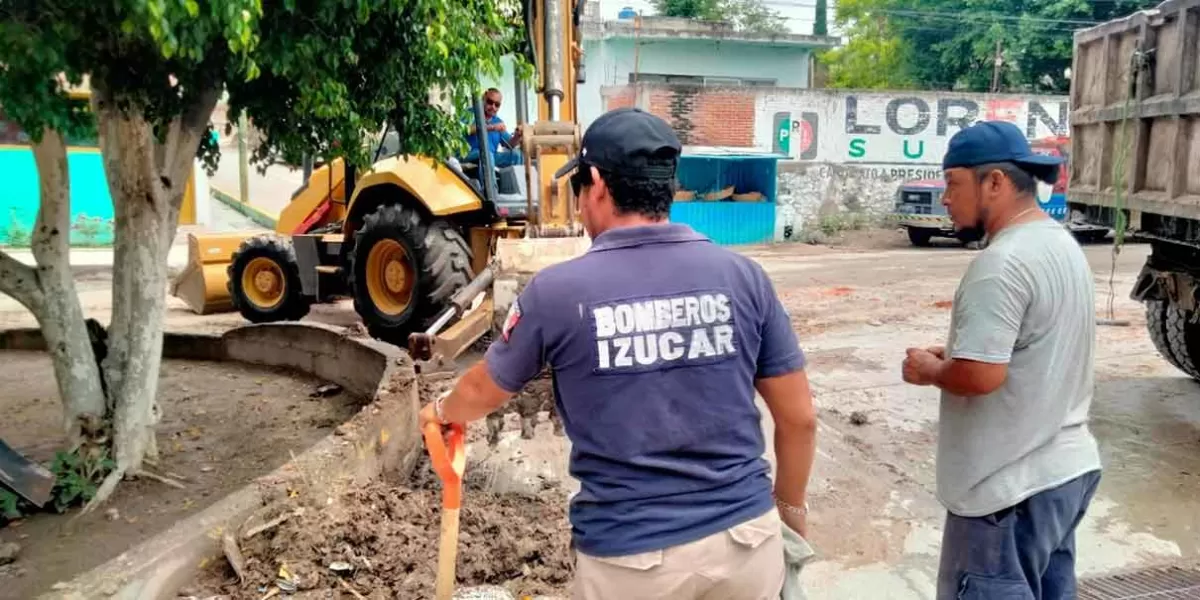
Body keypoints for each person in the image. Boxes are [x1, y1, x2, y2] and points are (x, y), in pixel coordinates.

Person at [419, 107, 817, 599]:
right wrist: (790, 519)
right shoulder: (745, 278)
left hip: (632, 561)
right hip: (746, 544)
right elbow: (799, 419)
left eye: (578, 188)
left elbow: (484, 390)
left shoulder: (557, 292)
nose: (580, 205)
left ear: (599, 184)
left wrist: (439, 413)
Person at [901, 120, 1103, 600]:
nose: (945, 199)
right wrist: (959, 354)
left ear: (994, 182)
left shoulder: (1002, 263)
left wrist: (932, 371)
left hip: (1007, 490)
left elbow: (981, 376)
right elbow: (1035, 345)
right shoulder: (1058, 244)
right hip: (1062, 474)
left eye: (953, 183)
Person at [463, 87, 523, 168]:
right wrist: (492, 127)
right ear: (483, 99)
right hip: (470, 154)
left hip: (490, 157)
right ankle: (491, 181)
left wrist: (517, 136)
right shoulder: (469, 113)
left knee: (517, 155)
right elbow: (464, 130)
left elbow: (510, 144)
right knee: (487, 155)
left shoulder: (497, 121)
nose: (493, 107)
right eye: (490, 102)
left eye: (497, 105)